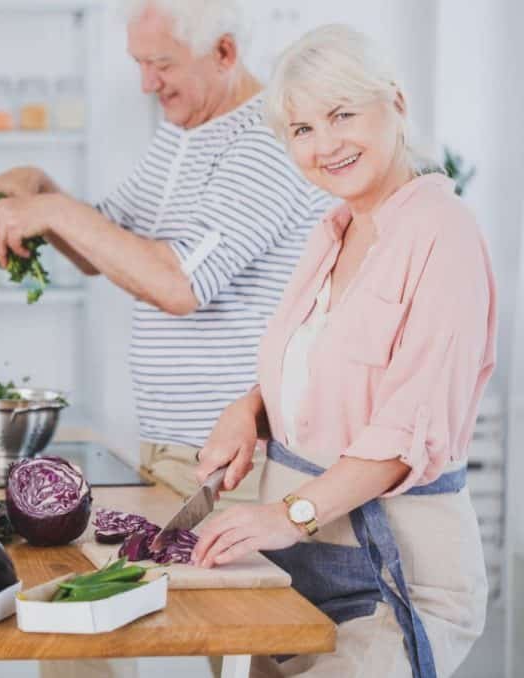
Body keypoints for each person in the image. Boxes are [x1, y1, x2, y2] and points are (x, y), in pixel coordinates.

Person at [192, 24, 495, 678]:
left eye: (341, 115)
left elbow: (402, 431)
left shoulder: (445, 234)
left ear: (397, 104)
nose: (324, 144)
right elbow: (320, 376)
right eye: (302, 129)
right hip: (299, 563)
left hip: (395, 579)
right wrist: (248, 410)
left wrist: (289, 514)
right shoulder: (331, 232)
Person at [0, 0, 331, 507]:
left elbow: (179, 285)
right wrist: (34, 184)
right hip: (171, 444)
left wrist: (50, 209)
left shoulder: (266, 143)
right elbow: (105, 245)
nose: (146, 84)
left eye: (162, 65)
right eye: (139, 63)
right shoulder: (183, 133)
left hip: (240, 458)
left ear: (224, 52)